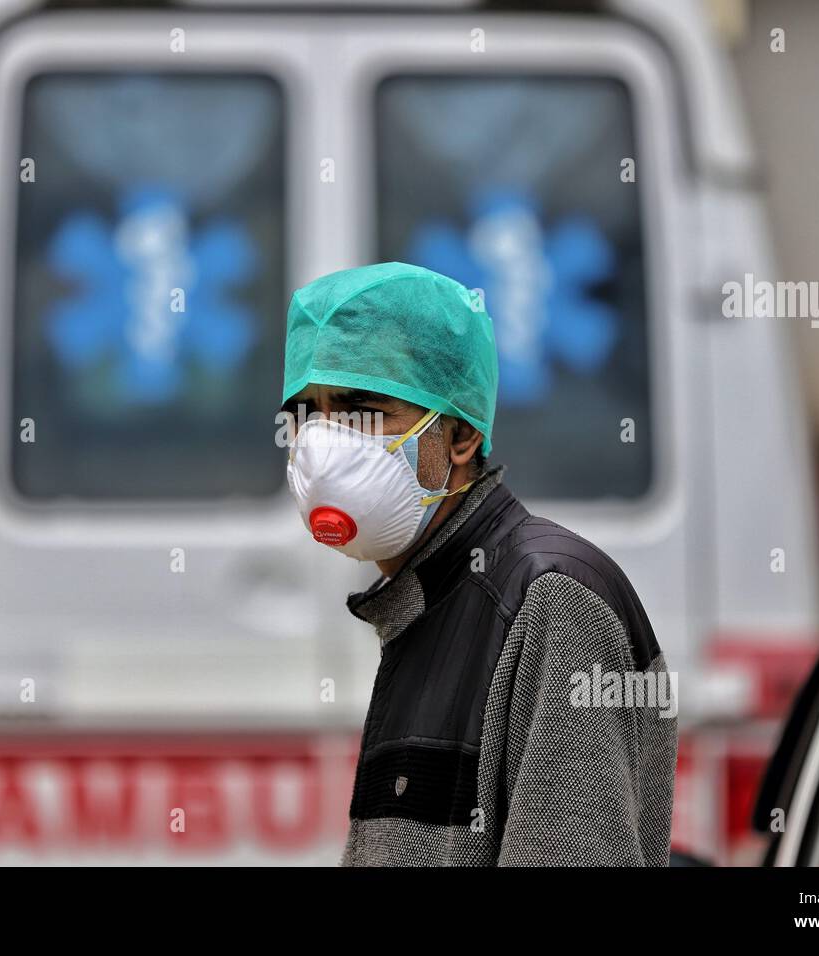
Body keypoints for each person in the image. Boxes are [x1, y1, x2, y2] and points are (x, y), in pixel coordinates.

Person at [279, 261, 677, 866]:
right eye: (309, 413)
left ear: (461, 437)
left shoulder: (552, 604)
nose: (327, 443)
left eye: (363, 410)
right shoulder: (424, 603)